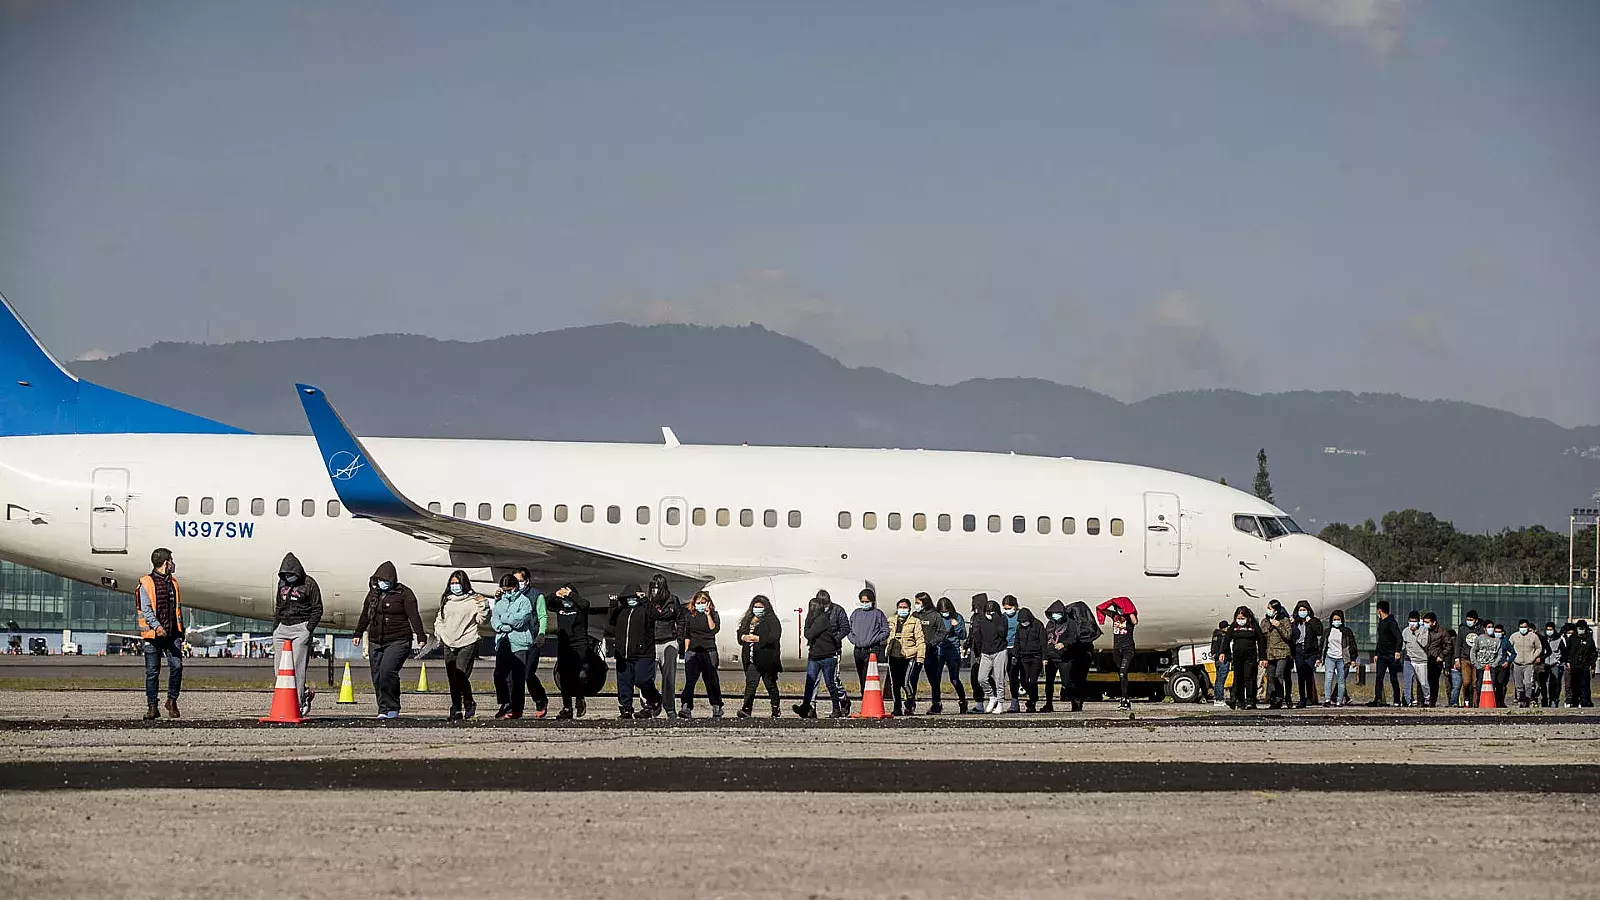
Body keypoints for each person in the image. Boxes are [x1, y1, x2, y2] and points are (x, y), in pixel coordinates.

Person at [353, 561, 425, 720]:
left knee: (387, 672)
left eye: (385, 580)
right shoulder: (373, 594)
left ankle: (392, 706)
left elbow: (414, 616)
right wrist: (358, 633)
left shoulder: (405, 594)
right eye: (379, 580)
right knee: (377, 675)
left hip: (398, 639)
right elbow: (365, 614)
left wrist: (420, 636)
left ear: (393, 580)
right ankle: (383, 708)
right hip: (375, 639)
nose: (382, 583)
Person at [270, 553, 323, 718]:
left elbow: (317, 608)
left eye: (291, 574)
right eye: (285, 574)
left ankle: (299, 703)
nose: (288, 577)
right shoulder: (282, 583)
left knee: (297, 668)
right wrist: (275, 628)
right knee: (279, 669)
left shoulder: (309, 584)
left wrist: (308, 629)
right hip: (283, 627)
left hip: (301, 627)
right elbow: (279, 606)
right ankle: (300, 694)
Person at [136, 547, 184, 720]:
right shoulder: (146, 583)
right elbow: (146, 610)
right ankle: (152, 706)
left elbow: (177, 609)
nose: (173, 563)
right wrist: (157, 627)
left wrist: (181, 631)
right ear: (165, 563)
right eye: (171, 560)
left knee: (177, 666)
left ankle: (171, 700)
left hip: (172, 634)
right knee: (152, 672)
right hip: (153, 635)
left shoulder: (173, 583)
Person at [433, 569, 488, 720]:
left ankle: (468, 701)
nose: (454, 586)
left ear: (464, 584)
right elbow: (440, 620)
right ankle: (456, 707)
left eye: (457, 583)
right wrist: (441, 633)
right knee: (452, 678)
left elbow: (482, 620)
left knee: (461, 674)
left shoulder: (472, 601)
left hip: (467, 641)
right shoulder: (447, 600)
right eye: (452, 583)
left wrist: (483, 605)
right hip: (449, 642)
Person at [610, 583, 664, 718]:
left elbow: (656, 615)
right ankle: (626, 709)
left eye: (633, 597)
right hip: (623, 654)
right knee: (624, 683)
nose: (631, 600)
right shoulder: (622, 611)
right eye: (628, 598)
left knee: (642, 680)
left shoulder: (645, 609)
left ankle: (655, 699)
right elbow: (611, 621)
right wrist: (612, 604)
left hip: (643, 653)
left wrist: (645, 600)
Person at [795, 591, 851, 718]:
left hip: (829, 654)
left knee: (831, 682)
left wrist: (834, 639)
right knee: (811, 682)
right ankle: (808, 707)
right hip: (815, 654)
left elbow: (809, 634)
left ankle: (840, 704)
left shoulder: (824, 618)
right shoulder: (815, 618)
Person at [490, 574, 535, 719]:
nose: (506, 592)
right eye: (504, 590)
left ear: (515, 587)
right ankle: (504, 702)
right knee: (499, 675)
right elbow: (494, 619)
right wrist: (501, 626)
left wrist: (504, 620)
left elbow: (520, 620)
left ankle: (516, 708)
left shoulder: (524, 601)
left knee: (517, 678)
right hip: (503, 640)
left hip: (519, 643)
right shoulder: (500, 601)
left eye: (508, 589)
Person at [510, 568, 550, 718]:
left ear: (527, 581)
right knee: (515, 676)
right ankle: (515, 708)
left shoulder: (536, 596)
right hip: (516, 640)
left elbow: (542, 616)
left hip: (532, 640)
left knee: (528, 674)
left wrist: (541, 633)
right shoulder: (510, 595)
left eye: (520, 581)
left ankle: (540, 699)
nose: (517, 584)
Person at [647, 574, 686, 720]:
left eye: (657, 586)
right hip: (651, 643)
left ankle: (670, 708)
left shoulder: (673, 600)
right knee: (647, 677)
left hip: (669, 641)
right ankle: (649, 706)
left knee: (669, 677)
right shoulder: (648, 602)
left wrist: (679, 640)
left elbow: (680, 619)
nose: (655, 590)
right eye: (653, 587)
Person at [679, 590, 724, 719]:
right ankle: (686, 706)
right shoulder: (690, 616)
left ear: (708, 603)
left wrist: (708, 614)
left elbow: (713, 629)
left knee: (711, 680)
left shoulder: (714, 614)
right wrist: (687, 651)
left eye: (703, 602)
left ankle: (717, 706)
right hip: (694, 651)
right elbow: (687, 634)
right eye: (698, 603)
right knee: (690, 681)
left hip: (709, 651)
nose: (700, 605)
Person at [737, 595, 782, 718]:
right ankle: (746, 708)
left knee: (770, 685)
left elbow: (774, 637)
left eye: (760, 607)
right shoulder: (748, 620)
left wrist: (759, 639)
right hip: (751, 659)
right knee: (751, 684)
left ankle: (775, 708)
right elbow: (740, 633)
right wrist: (743, 637)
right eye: (755, 607)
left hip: (767, 659)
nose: (757, 609)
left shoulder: (771, 620)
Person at [551, 583, 592, 719]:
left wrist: (570, 594)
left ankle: (579, 698)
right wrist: (556, 594)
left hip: (579, 644)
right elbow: (544, 602)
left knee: (577, 674)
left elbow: (586, 604)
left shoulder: (580, 607)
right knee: (564, 676)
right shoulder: (559, 606)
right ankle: (567, 707)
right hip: (564, 644)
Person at [1097, 597, 1138, 711]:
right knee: (1120, 675)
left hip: (1127, 649)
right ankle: (1123, 698)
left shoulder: (1129, 617)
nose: (1118, 609)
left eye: (1120, 607)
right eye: (1117, 608)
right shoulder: (1115, 616)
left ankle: (1126, 699)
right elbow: (1102, 608)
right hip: (1117, 649)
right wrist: (1111, 603)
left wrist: (1128, 610)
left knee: (1122, 674)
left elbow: (1135, 621)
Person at [886, 598, 925, 715]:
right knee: (895, 684)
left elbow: (920, 640)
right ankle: (897, 706)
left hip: (908, 655)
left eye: (905, 607)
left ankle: (910, 701)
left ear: (909, 609)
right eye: (900, 607)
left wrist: (920, 657)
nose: (902, 610)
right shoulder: (891, 620)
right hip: (894, 655)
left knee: (906, 682)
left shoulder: (915, 621)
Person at [1059, 600, 1101, 712]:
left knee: (1078, 679)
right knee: (1071, 680)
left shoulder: (1085, 624)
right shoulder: (1074, 623)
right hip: (1074, 653)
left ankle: (1077, 701)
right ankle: (1075, 699)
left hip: (1081, 654)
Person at [929, 597, 968, 713]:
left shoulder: (957, 617)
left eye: (946, 611)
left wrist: (956, 626)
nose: (945, 614)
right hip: (939, 649)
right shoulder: (936, 617)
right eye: (942, 611)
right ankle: (936, 703)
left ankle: (962, 701)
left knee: (954, 679)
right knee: (936, 679)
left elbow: (963, 636)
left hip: (952, 650)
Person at [849, 588, 890, 696]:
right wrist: (854, 640)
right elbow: (848, 629)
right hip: (858, 649)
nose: (864, 604)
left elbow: (885, 631)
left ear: (872, 601)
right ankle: (864, 695)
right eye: (862, 602)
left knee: (867, 675)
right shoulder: (856, 613)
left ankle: (867, 695)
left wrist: (874, 639)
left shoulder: (878, 614)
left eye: (867, 602)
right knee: (860, 674)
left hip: (872, 650)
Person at [972, 597, 1010, 714]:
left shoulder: (1002, 619)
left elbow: (1003, 634)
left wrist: (996, 619)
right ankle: (991, 697)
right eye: (988, 612)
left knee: (999, 679)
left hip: (999, 651)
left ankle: (1000, 702)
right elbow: (978, 636)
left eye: (992, 611)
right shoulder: (981, 619)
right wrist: (978, 652)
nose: (990, 614)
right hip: (986, 652)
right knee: (981, 678)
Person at [911, 592, 948, 709]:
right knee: (912, 679)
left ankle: (936, 703)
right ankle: (910, 703)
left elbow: (942, 632)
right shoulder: (914, 615)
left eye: (918, 603)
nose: (916, 605)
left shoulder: (935, 616)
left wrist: (932, 643)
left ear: (924, 603)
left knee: (933, 680)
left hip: (930, 652)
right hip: (916, 653)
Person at [1367, 600, 1403, 707]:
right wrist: (1376, 653)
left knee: (1393, 678)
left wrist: (1397, 651)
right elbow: (1381, 639)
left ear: (1379, 610)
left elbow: (1399, 638)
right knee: (1379, 678)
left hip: (1391, 655)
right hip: (1382, 655)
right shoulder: (1381, 622)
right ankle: (1377, 699)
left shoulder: (1391, 622)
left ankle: (1397, 700)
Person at [1227, 606, 1264, 710]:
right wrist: (1223, 652)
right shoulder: (1234, 626)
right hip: (1237, 657)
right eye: (1238, 618)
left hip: (1250, 657)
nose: (1240, 620)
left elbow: (1261, 641)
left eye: (1242, 618)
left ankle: (1250, 701)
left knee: (1249, 678)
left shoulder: (1253, 626)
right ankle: (1240, 701)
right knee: (1238, 679)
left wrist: (1263, 657)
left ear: (1248, 617)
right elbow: (1227, 640)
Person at [1322, 610, 1357, 707]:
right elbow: (1322, 645)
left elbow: (1352, 645)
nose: (1336, 621)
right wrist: (1319, 658)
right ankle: (1327, 699)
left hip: (1342, 658)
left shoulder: (1346, 632)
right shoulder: (1327, 631)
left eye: (1338, 619)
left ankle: (1339, 701)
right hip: (1330, 657)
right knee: (1328, 678)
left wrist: (1353, 659)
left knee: (1341, 680)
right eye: (1334, 619)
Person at [1291, 600, 1322, 708]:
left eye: (1304, 610)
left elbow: (1319, 631)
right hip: (1298, 650)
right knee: (1300, 675)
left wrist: (1310, 622)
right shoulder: (1295, 622)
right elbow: (1291, 634)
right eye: (1300, 610)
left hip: (1310, 651)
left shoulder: (1314, 621)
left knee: (1308, 673)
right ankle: (1302, 698)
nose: (1302, 612)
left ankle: (1310, 697)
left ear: (1308, 611)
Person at [1013, 606, 1044, 712]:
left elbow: (1043, 642)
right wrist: (1015, 655)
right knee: (1024, 680)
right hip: (1024, 657)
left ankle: (1033, 701)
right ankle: (1032, 697)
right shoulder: (1019, 627)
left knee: (1033, 680)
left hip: (1036, 657)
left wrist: (1044, 657)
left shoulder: (1038, 625)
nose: (1023, 623)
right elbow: (1017, 641)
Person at [1042, 601, 1071, 711]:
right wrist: (1044, 656)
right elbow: (1045, 640)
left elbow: (1073, 637)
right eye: (1053, 613)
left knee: (1067, 681)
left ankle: (1074, 701)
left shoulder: (1068, 623)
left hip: (1063, 657)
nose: (1055, 615)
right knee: (1049, 682)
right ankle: (1049, 703)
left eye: (1058, 613)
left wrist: (1064, 644)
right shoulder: (1050, 624)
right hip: (1050, 657)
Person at [1262, 607, 1293, 709]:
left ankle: (1279, 699)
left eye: (1270, 608)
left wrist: (1279, 626)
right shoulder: (1265, 621)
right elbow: (1263, 638)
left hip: (1282, 653)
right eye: (1268, 608)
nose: (1268, 610)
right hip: (1270, 654)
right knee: (1271, 677)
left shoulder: (1284, 620)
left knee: (1278, 675)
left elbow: (1288, 635)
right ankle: (1272, 699)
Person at [1400, 610, 1432, 708]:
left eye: (1414, 621)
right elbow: (1403, 646)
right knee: (1407, 681)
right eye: (1411, 621)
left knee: (1423, 682)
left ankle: (1427, 698)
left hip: (1421, 660)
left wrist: (1415, 633)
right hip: (1409, 659)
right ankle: (1408, 700)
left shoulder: (1424, 630)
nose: (1412, 623)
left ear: (1419, 621)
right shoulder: (1405, 631)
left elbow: (1424, 643)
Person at [1509, 619, 1542, 708]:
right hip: (1517, 663)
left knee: (1528, 683)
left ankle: (1528, 699)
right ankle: (1521, 699)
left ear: (1528, 627)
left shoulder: (1533, 636)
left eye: (1525, 627)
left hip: (1529, 664)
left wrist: (1533, 657)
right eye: (1521, 627)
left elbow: (1539, 647)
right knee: (1518, 684)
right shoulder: (1514, 636)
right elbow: (1508, 647)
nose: (1523, 628)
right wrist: (1513, 657)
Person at [967, 593, 991, 708]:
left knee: (986, 676)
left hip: (985, 651)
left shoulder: (986, 617)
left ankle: (993, 698)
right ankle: (979, 702)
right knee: (975, 676)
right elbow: (972, 634)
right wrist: (967, 645)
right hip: (975, 650)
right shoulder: (974, 617)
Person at [1457, 611, 1482, 708]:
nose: (1469, 621)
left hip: (1476, 660)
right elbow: (1458, 645)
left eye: (1471, 620)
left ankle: (1475, 702)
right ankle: (1466, 700)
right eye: (1468, 619)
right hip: (1465, 659)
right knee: (1466, 682)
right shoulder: (1462, 629)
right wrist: (1456, 659)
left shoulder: (1480, 630)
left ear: (1476, 620)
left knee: (1475, 683)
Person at [1567, 621, 1595, 707]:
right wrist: (1568, 661)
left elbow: (1593, 653)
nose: (1581, 630)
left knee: (1585, 685)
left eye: (1582, 629)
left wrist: (1592, 664)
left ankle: (1584, 702)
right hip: (1574, 665)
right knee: (1574, 685)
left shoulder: (1589, 639)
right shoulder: (1572, 638)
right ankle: (1574, 701)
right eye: (1579, 629)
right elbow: (1567, 651)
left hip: (1584, 665)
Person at [1422, 612, 1446, 707]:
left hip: (1435, 660)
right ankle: (1422, 700)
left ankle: (1432, 701)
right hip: (1424, 659)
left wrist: (1441, 656)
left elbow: (1448, 646)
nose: (1425, 624)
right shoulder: (1422, 630)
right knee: (1422, 681)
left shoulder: (1442, 632)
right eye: (1424, 622)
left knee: (1433, 682)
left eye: (1427, 622)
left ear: (1434, 622)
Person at [1541, 622, 1564, 709]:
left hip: (1555, 664)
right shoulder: (1543, 639)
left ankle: (1554, 699)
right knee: (1543, 683)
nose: (1549, 631)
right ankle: (1544, 700)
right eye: (1548, 630)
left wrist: (1559, 661)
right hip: (1545, 663)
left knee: (1554, 682)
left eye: (1551, 630)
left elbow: (1563, 652)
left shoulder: (1559, 639)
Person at [1209, 620, 1232, 708]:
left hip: (1217, 660)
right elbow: (1224, 647)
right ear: (1225, 628)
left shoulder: (1215, 635)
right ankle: (1219, 699)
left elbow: (1213, 648)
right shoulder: (1223, 636)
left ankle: (1217, 698)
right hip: (1223, 659)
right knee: (1221, 681)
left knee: (1218, 680)